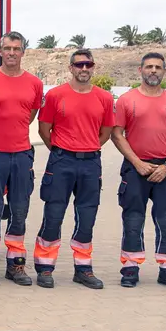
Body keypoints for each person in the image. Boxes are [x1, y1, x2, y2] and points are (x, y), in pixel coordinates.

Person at [33, 49, 114, 289]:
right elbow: (44, 129)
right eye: (79, 65)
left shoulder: (105, 98)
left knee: (86, 217)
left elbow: (106, 132)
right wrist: (62, 150)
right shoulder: (56, 95)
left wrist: (87, 148)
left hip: (91, 163)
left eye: (88, 64)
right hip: (61, 162)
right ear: (71, 68)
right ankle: (45, 267)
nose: (84, 69)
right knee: (53, 214)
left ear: (93, 66)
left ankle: (83, 269)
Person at [111, 52, 166, 290]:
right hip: (136, 168)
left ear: (164, 71)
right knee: (133, 218)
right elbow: (116, 134)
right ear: (140, 70)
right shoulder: (126, 100)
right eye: (149, 67)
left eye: (158, 67)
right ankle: (130, 268)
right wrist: (137, 163)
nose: (153, 70)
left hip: (165, 169)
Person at [0, 31, 43, 288]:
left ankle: (16, 265)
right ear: (0, 51)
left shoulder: (35, 83)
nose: (12, 52)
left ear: (23, 52)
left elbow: (31, 114)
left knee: (19, 210)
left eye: (17, 48)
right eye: (7, 48)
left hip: (22, 154)